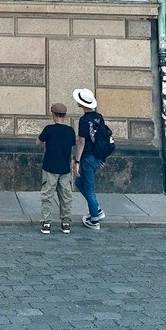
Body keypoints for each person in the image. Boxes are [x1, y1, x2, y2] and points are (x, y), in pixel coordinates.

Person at [36, 102, 75, 235]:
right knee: (65, 196)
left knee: (47, 194)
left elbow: (38, 142)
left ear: (53, 114)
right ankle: (66, 223)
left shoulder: (49, 129)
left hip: (50, 166)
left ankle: (46, 223)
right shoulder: (70, 131)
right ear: (64, 115)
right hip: (64, 167)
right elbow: (72, 145)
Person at [73, 88, 106, 230]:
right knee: (80, 183)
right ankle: (97, 209)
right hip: (98, 156)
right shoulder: (99, 117)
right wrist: (103, 158)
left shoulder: (83, 120)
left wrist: (77, 161)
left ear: (82, 104)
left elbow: (81, 141)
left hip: (87, 158)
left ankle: (94, 220)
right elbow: (103, 138)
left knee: (89, 187)